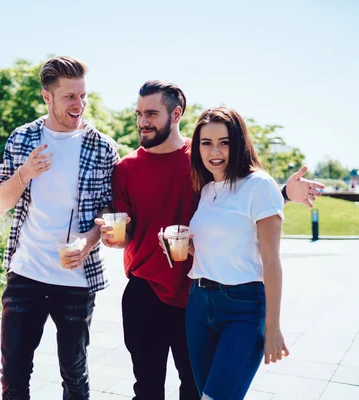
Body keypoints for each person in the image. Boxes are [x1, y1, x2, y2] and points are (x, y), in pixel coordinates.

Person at [96, 81, 324, 400]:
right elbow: (129, 230)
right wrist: (112, 237)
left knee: (198, 391)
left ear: (176, 114)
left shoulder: (201, 157)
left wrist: (283, 193)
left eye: (151, 113)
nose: (142, 121)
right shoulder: (134, 169)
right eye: (138, 113)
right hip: (155, 294)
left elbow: (245, 196)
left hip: (196, 297)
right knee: (147, 390)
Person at [0, 56, 119, 400]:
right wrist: (25, 173)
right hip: (26, 275)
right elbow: (0, 203)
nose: (79, 104)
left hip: (76, 280)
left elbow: (109, 208)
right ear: (47, 97)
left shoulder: (103, 147)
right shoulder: (23, 138)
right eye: (69, 97)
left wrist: (89, 243)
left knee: (75, 377)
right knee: (14, 375)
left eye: (83, 95)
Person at [185, 106, 288, 399]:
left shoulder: (259, 185)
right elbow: (222, 248)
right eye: (206, 143)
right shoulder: (207, 189)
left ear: (239, 143)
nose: (214, 151)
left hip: (243, 309)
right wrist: (187, 247)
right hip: (199, 305)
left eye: (224, 142)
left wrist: (273, 327)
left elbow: (271, 261)